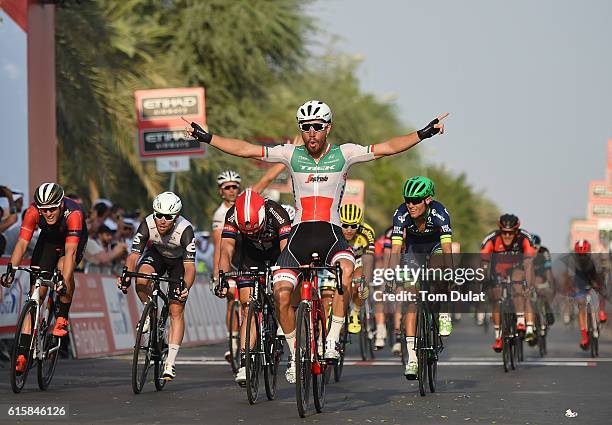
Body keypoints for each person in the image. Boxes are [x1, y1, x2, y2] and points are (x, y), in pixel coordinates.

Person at [186, 99, 448, 383]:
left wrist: (422, 134)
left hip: (331, 234)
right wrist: (207, 137)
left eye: (317, 127)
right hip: (299, 235)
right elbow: (246, 149)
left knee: (346, 272)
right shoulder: (290, 154)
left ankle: (333, 337)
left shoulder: (345, 154)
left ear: (328, 128)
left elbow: (387, 147)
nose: (311, 132)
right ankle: (295, 353)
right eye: (305, 127)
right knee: (281, 293)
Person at [1, 183, 88, 372]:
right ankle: (23, 352)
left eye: (51, 209)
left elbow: (71, 252)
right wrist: (11, 270)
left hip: (72, 242)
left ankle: (62, 316)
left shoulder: (74, 214)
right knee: (35, 295)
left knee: (64, 265)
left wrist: (64, 281)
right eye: (43, 210)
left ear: (61, 205)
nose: (47, 213)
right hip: (48, 241)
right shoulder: (33, 212)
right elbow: (22, 244)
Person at [117, 192, 196, 381]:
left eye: (168, 217)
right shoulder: (147, 223)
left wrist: (186, 286)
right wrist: (126, 274)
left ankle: (170, 362)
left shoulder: (185, 230)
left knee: (176, 309)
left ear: (176, 217)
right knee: (141, 278)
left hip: (179, 262)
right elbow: (134, 256)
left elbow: (190, 267)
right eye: (158, 214)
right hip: (158, 255)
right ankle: (149, 311)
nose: (161, 220)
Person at [216, 188, 291, 384]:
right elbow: (226, 248)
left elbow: (287, 249)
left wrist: (282, 273)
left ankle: (279, 320)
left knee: (280, 290)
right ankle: (245, 362)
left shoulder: (277, 212)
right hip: (249, 257)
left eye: (256, 228)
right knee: (247, 305)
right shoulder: (232, 214)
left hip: (277, 254)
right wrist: (222, 277)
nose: (253, 232)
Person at [387, 176, 454, 379]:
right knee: (411, 300)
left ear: (427, 199)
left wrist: (449, 271)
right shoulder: (401, 213)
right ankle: (412, 358)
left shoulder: (440, 212)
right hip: (413, 251)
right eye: (407, 199)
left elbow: (447, 247)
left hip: (435, 248)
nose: (410, 204)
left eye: (415, 200)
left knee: (438, 269)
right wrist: (391, 274)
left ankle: (443, 313)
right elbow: (396, 248)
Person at [481, 213, 536, 352]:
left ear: (516, 232)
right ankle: (498, 337)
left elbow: (529, 265)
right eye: (504, 233)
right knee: (496, 298)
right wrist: (483, 280)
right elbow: (484, 264)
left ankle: (520, 321)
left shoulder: (525, 238)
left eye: (510, 233)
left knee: (518, 284)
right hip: (498, 269)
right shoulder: (491, 239)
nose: (507, 236)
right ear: (500, 231)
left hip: (517, 268)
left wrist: (529, 286)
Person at [335, 204, 375, 334]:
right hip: (339, 261)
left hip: (358, 260)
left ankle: (355, 312)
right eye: (345, 225)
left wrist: (366, 283)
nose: (349, 229)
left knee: (359, 283)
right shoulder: (334, 230)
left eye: (354, 226)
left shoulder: (367, 232)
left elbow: (368, 260)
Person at [561, 240, 608, 349]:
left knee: (602, 292)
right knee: (581, 306)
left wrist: (599, 285)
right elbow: (570, 277)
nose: (582, 257)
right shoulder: (572, 262)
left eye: (585, 254)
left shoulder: (594, 261)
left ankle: (601, 312)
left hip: (593, 281)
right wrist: (570, 289)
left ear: (589, 252)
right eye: (579, 255)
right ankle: (584, 336)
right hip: (580, 284)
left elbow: (599, 275)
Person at [531, 234, 556, 326]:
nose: (533, 250)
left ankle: (547, 306)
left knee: (543, 286)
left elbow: (548, 271)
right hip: (529, 273)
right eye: (531, 247)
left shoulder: (544, 252)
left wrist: (551, 286)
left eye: (535, 247)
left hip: (541, 273)